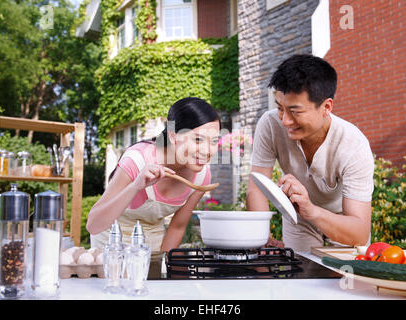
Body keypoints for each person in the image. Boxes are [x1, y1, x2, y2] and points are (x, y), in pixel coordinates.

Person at [247, 54, 374, 252]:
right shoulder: (270, 124)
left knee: (342, 277)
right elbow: (256, 186)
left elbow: (359, 233)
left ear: (326, 107)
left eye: (295, 112)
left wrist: (312, 211)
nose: (285, 121)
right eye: (280, 108)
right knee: (301, 273)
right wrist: (262, 237)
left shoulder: (354, 145)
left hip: (343, 219)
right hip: (297, 214)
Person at [87, 97, 221, 252]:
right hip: (111, 244)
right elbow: (93, 224)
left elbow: (178, 227)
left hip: (152, 246)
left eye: (213, 141)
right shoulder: (137, 160)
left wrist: (164, 265)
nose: (207, 151)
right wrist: (136, 186)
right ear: (172, 136)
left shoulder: (202, 177)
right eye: (198, 140)